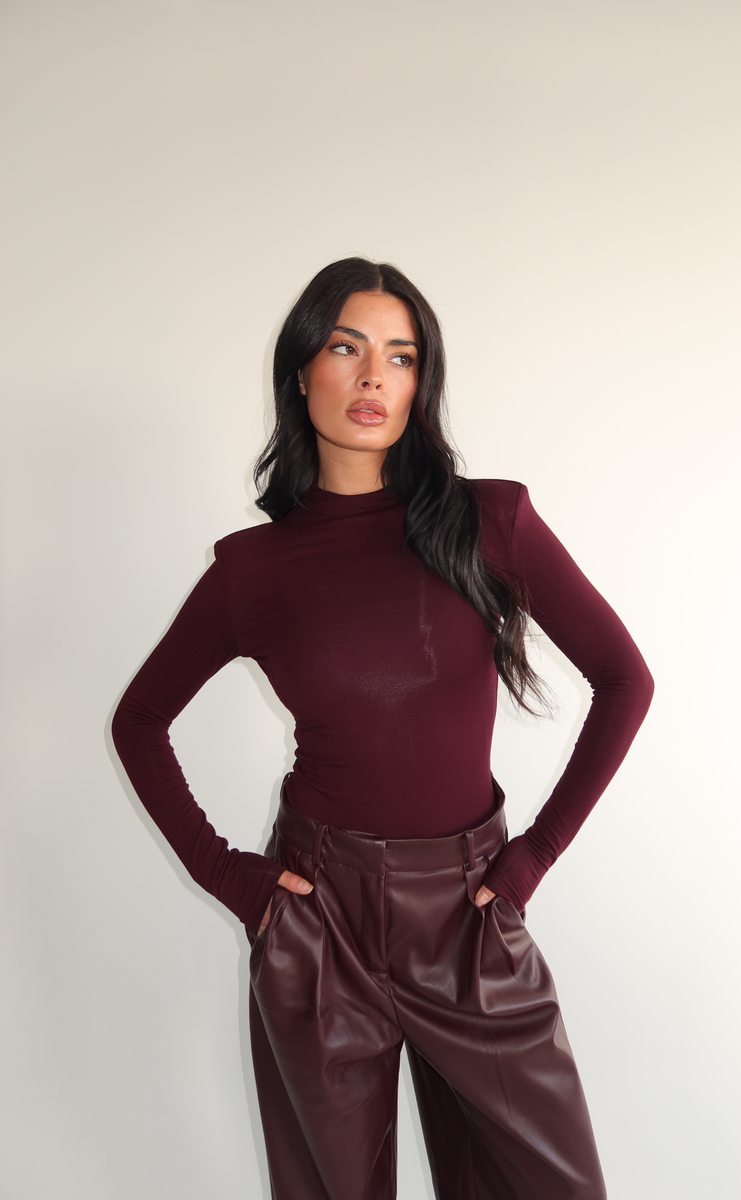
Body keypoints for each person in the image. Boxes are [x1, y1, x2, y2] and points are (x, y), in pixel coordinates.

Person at [112, 257, 654, 1200]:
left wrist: (531, 859)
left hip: (470, 916)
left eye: (400, 357)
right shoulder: (253, 570)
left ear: (420, 383)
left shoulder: (488, 521)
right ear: (300, 372)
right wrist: (234, 881)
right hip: (320, 919)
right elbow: (140, 720)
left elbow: (625, 679)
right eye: (346, 348)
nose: (373, 377)